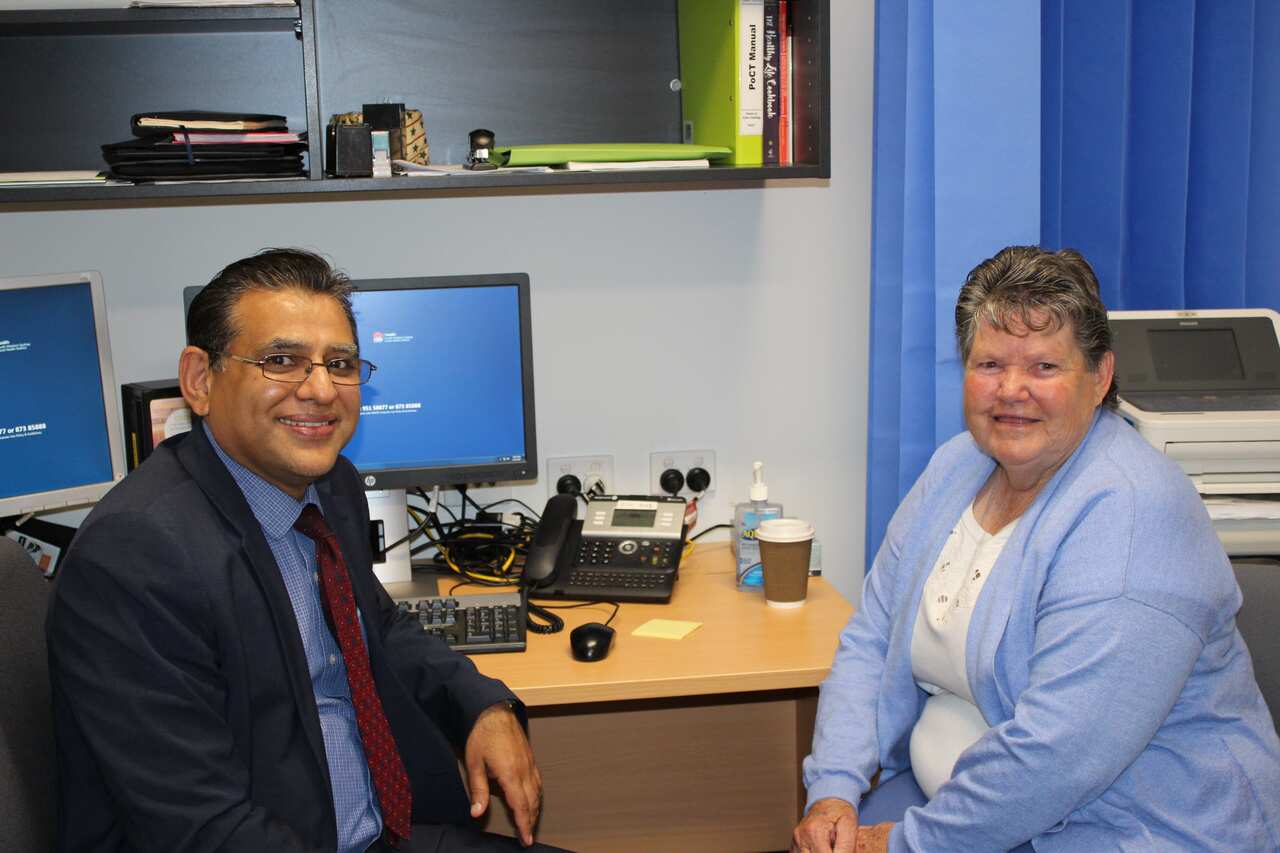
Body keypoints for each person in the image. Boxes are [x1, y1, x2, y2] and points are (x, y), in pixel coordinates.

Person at [47, 249, 564, 853]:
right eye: (281, 360)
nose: (320, 390)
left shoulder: (327, 485)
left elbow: (381, 627)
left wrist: (482, 704)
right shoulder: (137, 555)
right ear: (200, 380)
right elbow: (199, 826)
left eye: (340, 364)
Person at [794, 246, 1280, 852]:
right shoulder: (957, 466)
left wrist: (901, 845)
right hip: (958, 808)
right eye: (989, 363)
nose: (1011, 389)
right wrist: (834, 790)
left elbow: (1059, 756)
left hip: (1127, 829)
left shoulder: (1130, 514)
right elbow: (872, 637)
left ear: (1099, 378)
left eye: (1045, 367)